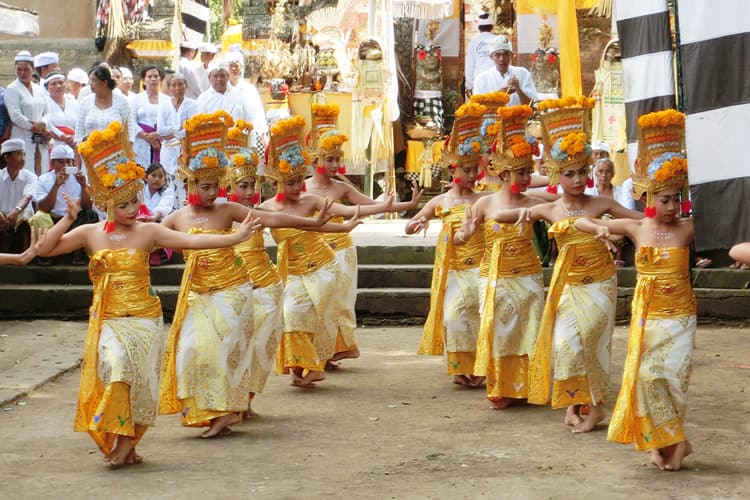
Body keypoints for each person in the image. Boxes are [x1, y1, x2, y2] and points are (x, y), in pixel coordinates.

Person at [35, 120, 261, 468]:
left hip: (144, 320)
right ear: (109, 203)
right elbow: (46, 250)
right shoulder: (91, 233)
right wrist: (68, 219)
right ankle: (122, 440)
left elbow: (193, 240)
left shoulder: (149, 230)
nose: (131, 209)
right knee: (118, 371)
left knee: (139, 382)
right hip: (110, 321)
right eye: (124, 204)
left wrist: (233, 238)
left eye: (134, 202)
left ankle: (128, 444)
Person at [158, 111, 343, 436]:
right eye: (206, 185)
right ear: (190, 183)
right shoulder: (176, 219)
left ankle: (228, 410)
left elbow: (270, 219)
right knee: (190, 352)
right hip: (198, 296)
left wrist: (312, 224)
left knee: (224, 350)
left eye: (216, 185)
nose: (213, 191)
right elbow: (148, 242)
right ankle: (217, 410)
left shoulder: (228, 210)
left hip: (233, 292)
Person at [492, 97, 643, 432]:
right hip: (567, 285)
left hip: (600, 282)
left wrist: (627, 228)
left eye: (582, 173)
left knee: (591, 340)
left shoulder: (601, 202)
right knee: (565, 344)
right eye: (570, 173)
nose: (577, 179)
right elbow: (501, 214)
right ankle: (573, 402)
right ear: (558, 175)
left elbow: (638, 220)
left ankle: (595, 407)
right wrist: (520, 214)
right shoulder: (551, 208)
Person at [575, 109, 696, 471]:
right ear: (649, 197)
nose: (673, 206)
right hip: (649, 317)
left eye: (677, 198)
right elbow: (582, 220)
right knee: (647, 378)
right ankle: (674, 441)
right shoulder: (636, 227)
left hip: (680, 317)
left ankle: (673, 441)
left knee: (670, 379)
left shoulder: (689, 229)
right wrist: (598, 230)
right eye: (665, 199)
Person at [259, 115, 392, 388]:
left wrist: (392, 207)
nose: (297, 187)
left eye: (299, 180)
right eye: (291, 182)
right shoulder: (265, 209)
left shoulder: (313, 197)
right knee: (293, 314)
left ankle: (314, 362)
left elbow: (346, 213)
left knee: (325, 313)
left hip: (327, 263)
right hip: (295, 269)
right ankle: (307, 364)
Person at [305, 103, 422, 368]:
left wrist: (407, 205)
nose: (336, 164)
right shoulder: (301, 188)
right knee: (316, 303)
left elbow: (372, 206)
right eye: (330, 159)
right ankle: (314, 352)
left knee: (340, 303)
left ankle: (331, 352)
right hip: (312, 253)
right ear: (316, 159)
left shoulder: (341, 188)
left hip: (341, 250)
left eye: (338, 159)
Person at [456, 104, 546, 408]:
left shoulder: (535, 200)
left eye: (528, 172)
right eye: (520, 172)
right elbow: (460, 237)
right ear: (504, 172)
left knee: (529, 330)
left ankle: (527, 386)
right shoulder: (484, 204)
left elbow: (568, 210)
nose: (526, 178)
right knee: (499, 331)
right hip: (494, 277)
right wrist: (465, 233)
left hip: (528, 275)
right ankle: (500, 387)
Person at [405, 102, 487, 387]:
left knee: (479, 318)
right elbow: (411, 224)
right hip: (453, 270)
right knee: (454, 318)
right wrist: (416, 223)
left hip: (480, 267)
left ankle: (479, 367)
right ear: (454, 168)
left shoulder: (483, 200)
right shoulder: (440, 201)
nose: (472, 175)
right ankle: (459, 368)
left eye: (474, 169)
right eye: (466, 170)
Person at [33, 144, 96, 264]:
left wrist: (83, 186)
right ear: (53, 163)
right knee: (38, 217)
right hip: (53, 219)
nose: (65, 166)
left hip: (74, 220)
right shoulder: (44, 179)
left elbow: (87, 206)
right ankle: (45, 254)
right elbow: (43, 208)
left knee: (90, 215)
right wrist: (56, 185)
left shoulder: (79, 178)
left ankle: (78, 253)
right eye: (60, 162)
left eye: (68, 162)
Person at [156, 72, 197, 208]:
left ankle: (185, 208)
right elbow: (161, 130)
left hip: (184, 150)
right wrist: (177, 128)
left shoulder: (192, 105)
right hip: (168, 150)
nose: (177, 88)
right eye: (174, 85)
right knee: (169, 181)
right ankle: (170, 209)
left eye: (180, 84)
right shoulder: (164, 105)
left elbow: (191, 129)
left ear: (186, 86)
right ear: (169, 88)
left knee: (184, 180)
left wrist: (172, 132)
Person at [5, 50, 50, 174]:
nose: (22, 73)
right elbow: (15, 116)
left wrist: (43, 124)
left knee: (41, 169)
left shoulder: (39, 89)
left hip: (40, 139)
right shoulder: (12, 89)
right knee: (24, 172)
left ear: (33, 68)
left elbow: (47, 112)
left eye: (26, 69)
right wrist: (33, 126)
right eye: (19, 69)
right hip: (22, 136)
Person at [75, 64, 136, 146]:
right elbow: (79, 132)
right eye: (90, 80)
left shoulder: (122, 101)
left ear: (104, 82)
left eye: (94, 80)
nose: (90, 84)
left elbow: (130, 132)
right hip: (89, 153)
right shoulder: (86, 102)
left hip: (117, 154)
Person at [472, 37, 538, 106]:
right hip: (492, 117)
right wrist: (498, 95)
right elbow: (477, 107)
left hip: (519, 116)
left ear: (512, 56)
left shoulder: (523, 73)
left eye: (506, 54)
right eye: (497, 55)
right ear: (491, 57)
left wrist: (518, 89)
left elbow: (533, 105)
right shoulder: (481, 78)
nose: (502, 59)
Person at [0, 138, 36, 254]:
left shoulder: (30, 176)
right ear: (7, 157)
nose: (23, 159)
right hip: (2, 215)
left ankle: (25, 251)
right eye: (18, 154)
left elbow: (27, 197)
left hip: (20, 214)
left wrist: (16, 211)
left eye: (24, 154)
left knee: (27, 216)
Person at [227, 50, 268, 148]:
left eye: (237, 66)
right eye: (231, 66)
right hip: (228, 139)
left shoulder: (249, 89)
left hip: (248, 136)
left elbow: (259, 112)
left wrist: (263, 134)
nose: (234, 69)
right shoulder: (223, 89)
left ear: (241, 68)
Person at [131, 65, 168, 167]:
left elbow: (171, 121)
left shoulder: (167, 100)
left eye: (156, 76)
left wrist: (157, 134)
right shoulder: (136, 99)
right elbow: (130, 121)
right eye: (150, 76)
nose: (153, 79)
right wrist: (147, 136)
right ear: (143, 80)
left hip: (162, 141)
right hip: (141, 141)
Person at [465, 13, 497, 99]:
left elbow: (469, 64)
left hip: (478, 80)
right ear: (492, 26)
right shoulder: (497, 40)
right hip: (496, 79)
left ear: (479, 28)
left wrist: (469, 85)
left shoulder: (473, 42)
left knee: (480, 107)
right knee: (495, 105)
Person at [45, 72, 79, 148]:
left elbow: (80, 123)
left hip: (74, 144)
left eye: (61, 82)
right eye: (53, 84)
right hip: (54, 145)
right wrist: (63, 137)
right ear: (47, 87)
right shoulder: (44, 103)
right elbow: (47, 125)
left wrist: (75, 137)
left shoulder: (73, 102)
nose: (58, 86)